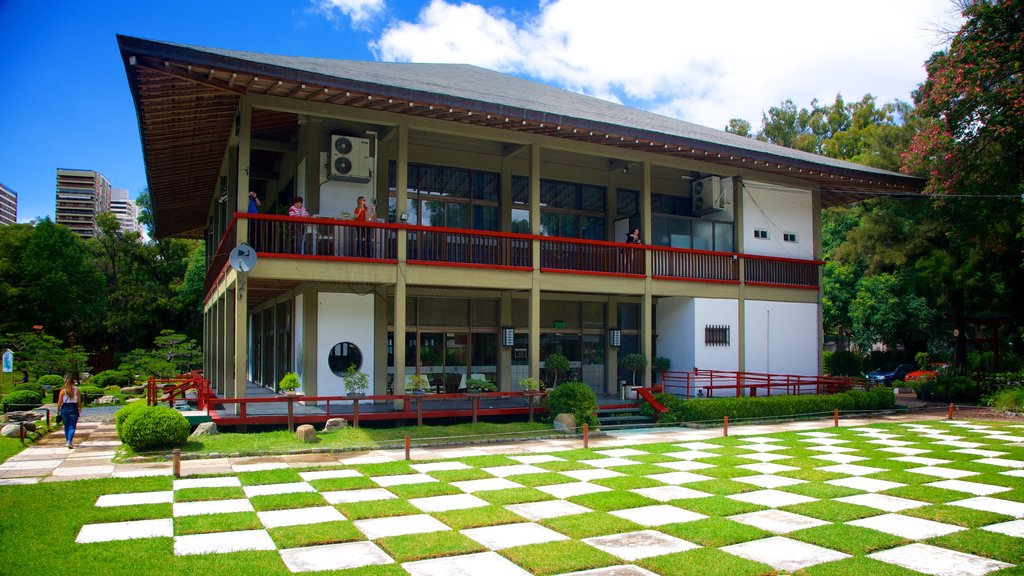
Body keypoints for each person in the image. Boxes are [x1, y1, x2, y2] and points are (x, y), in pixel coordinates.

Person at [56, 376, 82, 449]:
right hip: (74, 408)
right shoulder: (77, 391)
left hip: (65, 409)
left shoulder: (62, 391)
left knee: (66, 426)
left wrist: (58, 410)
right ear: (73, 383)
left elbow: (59, 402)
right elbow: (79, 402)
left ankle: (68, 441)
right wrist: (79, 408)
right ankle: (69, 441)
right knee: (72, 426)